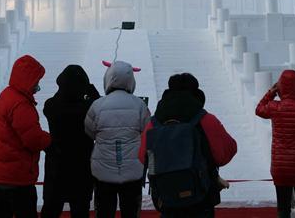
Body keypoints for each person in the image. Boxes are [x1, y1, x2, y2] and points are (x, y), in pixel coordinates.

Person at [139, 73, 238, 218]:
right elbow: (225, 153)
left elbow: (142, 157)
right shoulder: (205, 119)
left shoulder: (153, 124)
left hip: (166, 197)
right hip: (200, 198)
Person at [85, 60, 151, 218]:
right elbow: (147, 132)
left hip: (103, 170)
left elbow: (89, 131)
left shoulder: (97, 105)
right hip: (132, 170)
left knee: (104, 211)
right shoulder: (139, 105)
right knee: (130, 211)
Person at [0, 54, 51, 218]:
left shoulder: (7, 95)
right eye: (36, 81)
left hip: (3, 174)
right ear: (29, 80)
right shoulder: (20, 104)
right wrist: (50, 141)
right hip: (17, 176)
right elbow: (32, 139)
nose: (37, 85)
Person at [41, 65, 101, 218]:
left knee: (51, 209)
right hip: (81, 167)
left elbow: (55, 102)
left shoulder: (51, 105)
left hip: (57, 166)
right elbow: (101, 110)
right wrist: (93, 94)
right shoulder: (88, 108)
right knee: (80, 210)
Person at [255, 69, 295, 218]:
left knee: (283, 209)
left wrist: (271, 92)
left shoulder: (275, 107)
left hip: (281, 166)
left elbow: (259, 109)